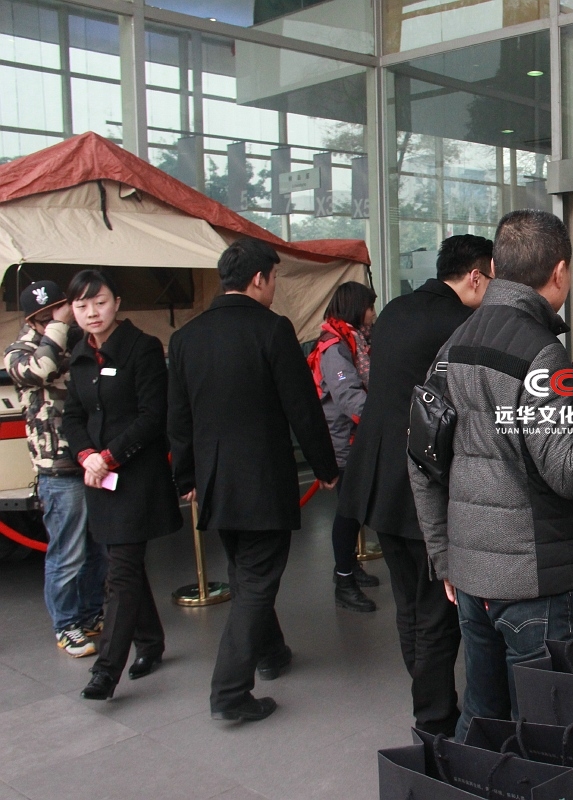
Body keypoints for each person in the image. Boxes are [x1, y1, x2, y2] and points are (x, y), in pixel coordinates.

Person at [409, 210, 573, 740]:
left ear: (497, 267)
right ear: (559, 272)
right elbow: (567, 469)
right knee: (553, 724)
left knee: (483, 717)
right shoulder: (538, 349)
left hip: (472, 576)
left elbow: (423, 460)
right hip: (533, 581)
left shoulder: (453, 346)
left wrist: (444, 558)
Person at [168, 238, 339, 723]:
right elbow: (302, 407)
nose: (274, 287)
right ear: (260, 279)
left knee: (247, 572)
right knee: (257, 583)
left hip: (216, 483)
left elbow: (178, 418)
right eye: (275, 278)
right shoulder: (272, 329)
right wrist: (325, 467)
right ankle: (229, 692)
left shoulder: (186, 338)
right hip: (263, 482)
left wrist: (186, 476)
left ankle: (271, 652)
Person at [339, 233, 493, 737]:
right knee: (435, 612)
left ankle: (425, 693)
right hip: (419, 484)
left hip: (377, 480)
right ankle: (434, 720)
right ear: (476, 276)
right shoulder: (460, 324)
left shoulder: (396, 310)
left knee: (408, 603)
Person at [60, 271, 182, 700]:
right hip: (99, 477)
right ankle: (149, 642)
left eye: (100, 302)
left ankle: (106, 671)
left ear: (117, 302)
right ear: (72, 310)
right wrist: (86, 455)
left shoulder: (141, 348)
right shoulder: (79, 354)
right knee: (121, 562)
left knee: (121, 570)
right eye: (81, 306)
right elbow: (72, 416)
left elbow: (153, 416)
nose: (92, 312)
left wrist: (108, 456)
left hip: (134, 476)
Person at [4, 280, 106, 658]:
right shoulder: (20, 351)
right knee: (67, 554)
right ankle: (66, 625)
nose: (55, 319)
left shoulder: (80, 343)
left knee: (98, 549)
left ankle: (91, 613)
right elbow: (41, 369)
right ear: (32, 320)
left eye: (58, 311)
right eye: (45, 316)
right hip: (58, 469)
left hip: (92, 459)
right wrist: (59, 326)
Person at [308, 280, 380, 613]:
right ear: (356, 308)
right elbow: (349, 397)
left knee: (354, 510)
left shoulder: (353, 339)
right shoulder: (335, 347)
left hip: (352, 438)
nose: (373, 313)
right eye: (370, 307)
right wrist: (382, 420)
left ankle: (349, 565)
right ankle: (344, 579)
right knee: (349, 513)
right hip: (343, 441)